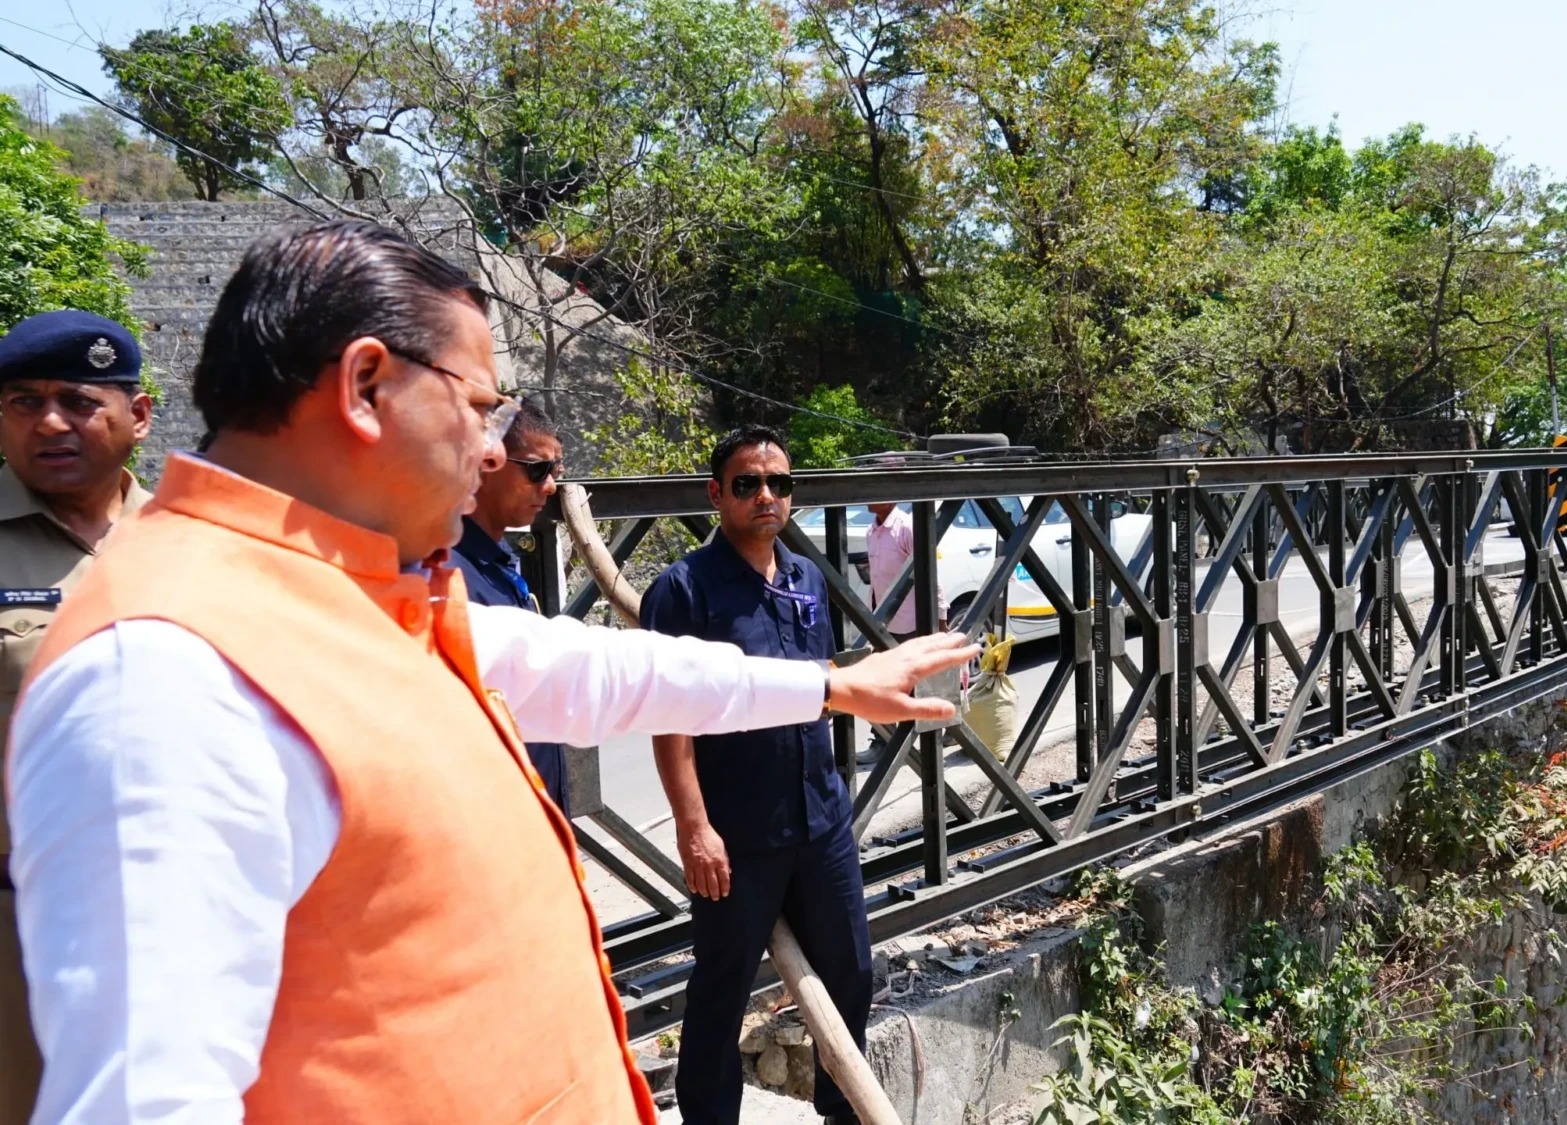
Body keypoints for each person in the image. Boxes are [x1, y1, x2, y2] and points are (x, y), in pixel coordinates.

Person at [5, 220, 976, 1125]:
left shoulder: (342, 586)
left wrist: (830, 686)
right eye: (478, 406)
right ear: (365, 386)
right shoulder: (163, 678)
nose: (491, 448)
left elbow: (588, 670)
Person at [640, 428, 871, 1125]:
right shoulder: (683, 590)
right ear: (717, 495)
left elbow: (824, 690)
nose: (766, 495)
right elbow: (668, 717)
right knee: (722, 987)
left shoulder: (806, 578)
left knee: (852, 971)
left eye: (779, 483)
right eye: (747, 483)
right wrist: (692, 825)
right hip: (737, 832)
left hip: (819, 819)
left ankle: (842, 1110)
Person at [0, 310, 153, 1125]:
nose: (49, 422)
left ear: (139, 414)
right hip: (17, 924)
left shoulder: (193, 542)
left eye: (77, 399)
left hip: (180, 905)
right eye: (22, 401)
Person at [449, 395, 571, 811]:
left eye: (554, 470)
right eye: (537, 470)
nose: (551, 486)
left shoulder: (496, 563)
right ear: (486, 461)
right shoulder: (449, 574)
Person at [859, 500, 947, 765]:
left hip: (913, 619)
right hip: (885, 622)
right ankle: (883, 739)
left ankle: (942, 733)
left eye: (873, 493)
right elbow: (877, 580)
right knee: (884, 682)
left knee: (922, 682)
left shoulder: (906, 528)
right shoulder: (871, 532)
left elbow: (930, 573)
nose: (867, 499)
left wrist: (940, 615)